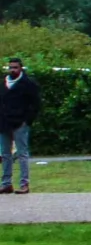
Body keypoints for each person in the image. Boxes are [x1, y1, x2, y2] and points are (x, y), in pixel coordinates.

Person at [0, 58, 39, 194]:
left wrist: (27, 121)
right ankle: (6, 184)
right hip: (4, 123)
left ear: (21, 68)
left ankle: (24, 184)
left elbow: (35, 104)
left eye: (15, 67)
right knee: (5, 154)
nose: (13, 70)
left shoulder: (28, 84)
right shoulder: (4, 83)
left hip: (20, 123)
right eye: (11, 67)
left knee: (22, 153)